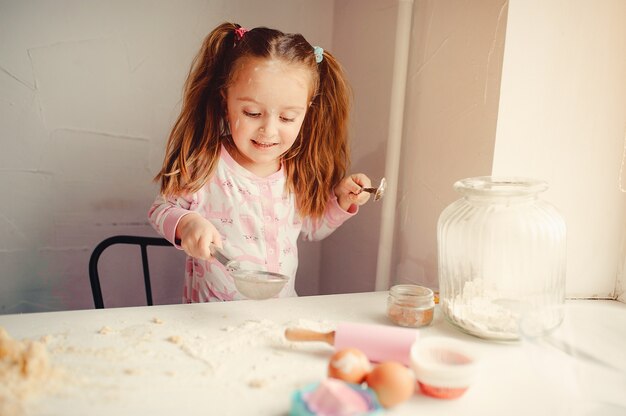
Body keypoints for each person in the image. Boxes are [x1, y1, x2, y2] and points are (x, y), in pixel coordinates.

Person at [149, 22, 374, 302]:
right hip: (211, 320)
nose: (269, 130)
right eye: (253, 113)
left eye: (287, 118)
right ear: (225, 102)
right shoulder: (206, 164)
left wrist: (340, 201)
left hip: (279, 315)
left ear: (307, 112)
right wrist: (187, 223)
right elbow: (161, 209)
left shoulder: (295, 171)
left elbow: (311, 228)